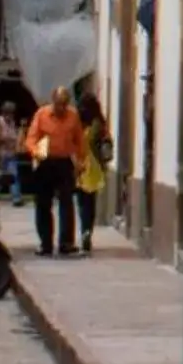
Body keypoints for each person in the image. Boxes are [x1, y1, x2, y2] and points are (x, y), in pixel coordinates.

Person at [25, 86, 88, 258]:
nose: (62, 108)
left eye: (65, 104)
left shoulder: (73, 116)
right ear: (53, 101)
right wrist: (36, 152)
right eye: (59, 104)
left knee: (66, 203)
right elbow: (31, 138)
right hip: (45, 162)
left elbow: (80, 140)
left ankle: (66, 243)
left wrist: (81, 162)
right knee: (43, 204)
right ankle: (46, 243)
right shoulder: (42, 114)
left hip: (64, 163)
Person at [74, 89, 111, 255]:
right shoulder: (100, 122)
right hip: (95, 167)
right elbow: (106, 140)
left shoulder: (77, 121)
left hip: (80, 165)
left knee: (82, 201)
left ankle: (84, 230)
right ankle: (88, 230)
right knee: (91, 201)